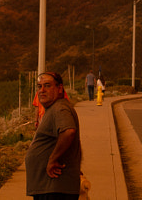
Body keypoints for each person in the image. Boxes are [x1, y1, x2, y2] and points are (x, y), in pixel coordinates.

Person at [25, 71, 83, 199]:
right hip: (51, 187)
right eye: (39, 86)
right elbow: (75, 143)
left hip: (54, 188)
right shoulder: (55, 108)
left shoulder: (59, 108)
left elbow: (69, 132)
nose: (42, 90)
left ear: (60, 88)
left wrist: (52, 159)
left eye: (47, 85)